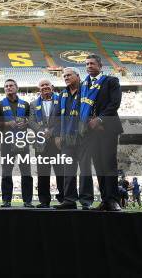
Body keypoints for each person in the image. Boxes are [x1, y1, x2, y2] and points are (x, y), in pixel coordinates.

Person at [82, 54, 123, 212]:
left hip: (107, 128)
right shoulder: (84, 84)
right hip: (90, 132)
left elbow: (115, 103)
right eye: (87, 64)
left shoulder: (111, 81)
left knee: (109, 164)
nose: (89, 66)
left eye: (92, 63)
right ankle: (105, 200)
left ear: (100, 66)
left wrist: (99, 120)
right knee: (99, 165)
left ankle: (113, 200)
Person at [54, 67, 95, 210]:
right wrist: (57, 135)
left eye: (69, 75)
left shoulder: (87, 90)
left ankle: (86, 200)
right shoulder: (62, 94)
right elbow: (57, 116)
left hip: (84, 137)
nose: (66, 77)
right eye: (64, 76)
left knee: (85, 169)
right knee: (68, 170)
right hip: (66, 139)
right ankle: (69, 199)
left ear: (78, 76)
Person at [0, 79, 33, 208]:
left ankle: (27, 201)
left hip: (23, 142)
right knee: (6, 172)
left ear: (17, 87)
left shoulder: (25, 104)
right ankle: (6, 201)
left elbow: (31, 121)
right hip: (6, 143)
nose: (8, 88)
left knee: (26, 172)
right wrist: (6, 124)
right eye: (6, 86)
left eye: (11, 86)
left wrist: (26, 123)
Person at [28, 79, 64, 208]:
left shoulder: (61, 100)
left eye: (47, 85)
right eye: (42, 85)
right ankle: (44, 200)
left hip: (57, 141)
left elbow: (63, 118)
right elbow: (31, 121)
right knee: (42, 172)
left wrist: (53, 132)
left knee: (61, 171)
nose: (44, 87)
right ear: (39, 89)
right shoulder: (33, 104)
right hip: (41, 142)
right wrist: (42, 131)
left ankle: (64, 199)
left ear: (52, 87)